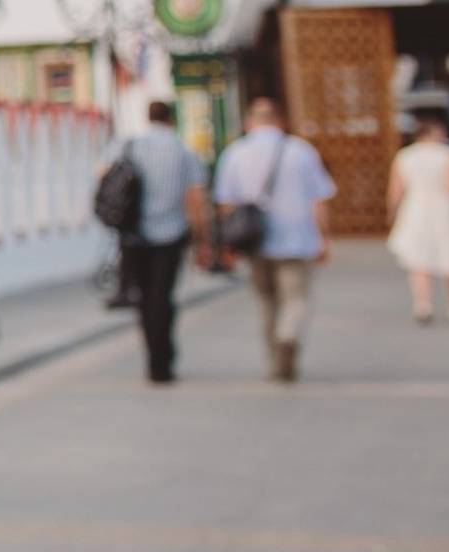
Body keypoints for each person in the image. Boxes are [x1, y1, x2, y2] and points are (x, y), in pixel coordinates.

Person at [212, 96, 336, 384]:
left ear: (249, 122)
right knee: (295, 299)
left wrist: (228, 245)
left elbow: (225, 206)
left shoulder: (235, 153)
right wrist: (324, 239)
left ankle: (275, 360)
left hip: (255, 242)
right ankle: (288, 336)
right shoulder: (301, 151)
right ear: (280, 120)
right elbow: (320, 201)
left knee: (267, 302)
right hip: (297, 239)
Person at [110, 100, 208, 382]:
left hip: (134, 236)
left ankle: (153, 354)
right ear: (170, 120)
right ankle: (162, 359)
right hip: (169, 234)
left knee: (143, 298)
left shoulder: (128, 146)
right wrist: (202, 241)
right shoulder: (181, 150)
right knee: (162, 297)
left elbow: (104, 175)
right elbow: (196, 198)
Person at [386, 109, 449, 323]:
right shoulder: (446, 154)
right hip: (443, 209)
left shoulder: (404, 156)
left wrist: (392, 214)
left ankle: (423, 304)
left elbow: (396, 190)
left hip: (415, 209)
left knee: (419, 260)